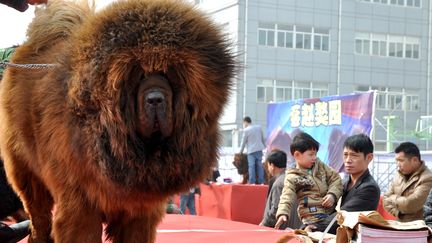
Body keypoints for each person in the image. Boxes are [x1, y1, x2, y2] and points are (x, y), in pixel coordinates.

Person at [308, 133, 380, 234]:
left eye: (354, 155)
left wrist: (315, 227)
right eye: (345, 155)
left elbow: (342, 216)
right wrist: (309, 222)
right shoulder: (344, 182)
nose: (348, 160)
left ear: (369, 157)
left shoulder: (369, 188)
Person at [274, 132, 343, 231]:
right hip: (311, 217)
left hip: (329, 212)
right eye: (311, 154)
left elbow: (335, 178)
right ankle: (309, 229)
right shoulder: (292, 176)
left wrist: (332, 194)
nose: (314, 157)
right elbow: (286, 195)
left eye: (315, 154)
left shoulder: (319, 165)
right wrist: (282, 213)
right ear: (297, 155)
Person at [383, 142, 432, 222]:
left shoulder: (427, 178)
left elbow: (410, 204)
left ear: (415, 160)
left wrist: (392, 198)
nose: (398, 164)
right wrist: (399, 213)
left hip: (419, 228)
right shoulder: (398, 175)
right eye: (397, 161)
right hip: (399, 225)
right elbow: (385, 200)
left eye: (401, 160)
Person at [239, 116, 266, 184]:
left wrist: (240, 152)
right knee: (259, 165)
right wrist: (264, 146)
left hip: (251, 151)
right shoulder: (259, 127)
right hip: (259, 149)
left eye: (243, 123)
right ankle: (261, 181)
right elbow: (263, 138)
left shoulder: (246, 130)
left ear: (245, 122)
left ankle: (252, 182)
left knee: (251, 166)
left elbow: (243, 142)